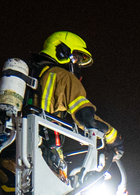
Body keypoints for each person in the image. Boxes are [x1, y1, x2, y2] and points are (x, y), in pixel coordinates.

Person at [30, 31, 117, 178]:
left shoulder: (34, 75)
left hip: (12, 161)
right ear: (62, 51)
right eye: (76, 58)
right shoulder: (62, 76)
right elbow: (86, 117)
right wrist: (112, 136)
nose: (76, 65)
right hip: (41, 161)